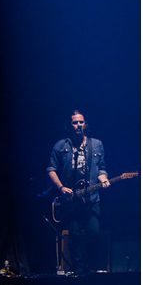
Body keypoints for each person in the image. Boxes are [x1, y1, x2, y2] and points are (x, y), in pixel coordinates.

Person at [47, 110, 110, 274]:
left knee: (93, 233)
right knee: (75, 235)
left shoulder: (96, 144)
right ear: (69, 125)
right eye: (75, 122)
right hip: (72, 201)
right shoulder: (61, 146)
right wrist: (61, 187)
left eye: (81, 122)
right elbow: (51, 169)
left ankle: (91, 269)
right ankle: (78, 271)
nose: (78, 125)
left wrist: (103, 179)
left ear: (85, 124)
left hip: (92, 199)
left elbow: (101, 168)